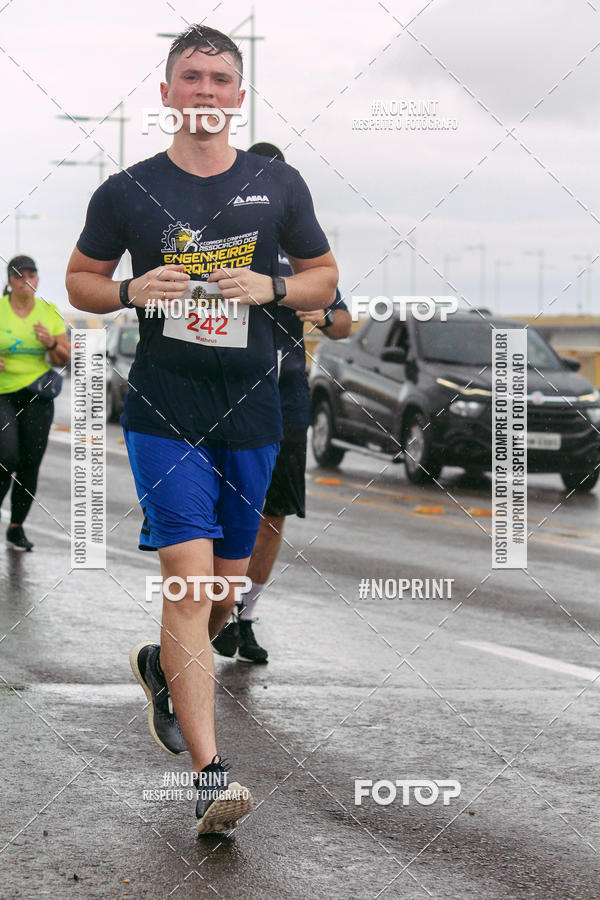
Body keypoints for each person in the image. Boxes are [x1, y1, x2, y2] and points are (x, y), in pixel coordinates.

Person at [65, 25, 338, 834]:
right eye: (192, 79)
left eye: (220, 80)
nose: (206, 93)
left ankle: (159, 665)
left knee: (221, 591)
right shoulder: (128, 190)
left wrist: (272, 285)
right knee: (186, 581)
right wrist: (128, 291)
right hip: (166, 404)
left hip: (253, 409)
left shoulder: (278, 185)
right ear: (167, 94)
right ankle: (211, 776)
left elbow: (325, 277)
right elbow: (81, 278)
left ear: (238, 95)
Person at [212, 142, 352, 664]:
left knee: (272, 517)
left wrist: (312, 309)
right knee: (219, 517)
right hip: (223, 405)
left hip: (287, 405)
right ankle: (211, 612)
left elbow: (342, 323)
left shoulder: (301, 257)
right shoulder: (221, 244)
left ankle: (242, 619)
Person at [0, 255, 70, 550]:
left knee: (30, 463)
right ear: (10, 280)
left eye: (31, 274)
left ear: (37, 279)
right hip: (3, 394)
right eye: (18, 275)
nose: (25, 280)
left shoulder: (49, 311)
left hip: (37, 395)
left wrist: (51, 343)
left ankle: (16, 527)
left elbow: (64, 358)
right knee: (7, 457)